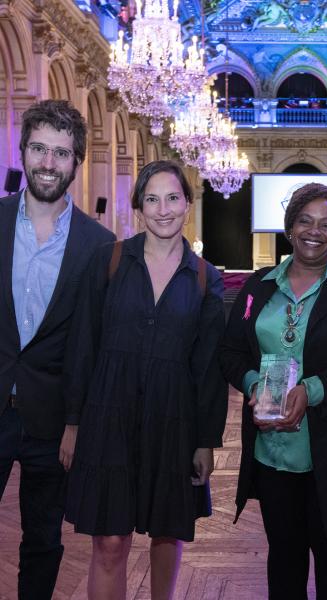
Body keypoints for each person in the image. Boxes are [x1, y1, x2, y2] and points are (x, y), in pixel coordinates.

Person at [63, 160, 228, 600]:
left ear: (188, 206)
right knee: (109, 541)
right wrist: (73, 423)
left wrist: (205, 441)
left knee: (166, 534)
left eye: (173, 198)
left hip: (174, 421)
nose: (163, 209)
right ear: (138, 209)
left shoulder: (205, 278)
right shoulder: (110, 260)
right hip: (106, 417)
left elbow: (208, 369)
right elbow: (84, 346)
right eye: (151, 199)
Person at [220, 182, 327, 599]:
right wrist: (253, 384)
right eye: (305, 220)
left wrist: (312, 389)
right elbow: (228, 352)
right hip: (272, 449)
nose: (314, 231)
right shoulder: (259, 286)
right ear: (290, 226)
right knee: (284, 560)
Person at [0, 99, 115, 600]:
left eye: (62, 153)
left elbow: (92, 345)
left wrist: (76, 422)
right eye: (40, 149)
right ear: (23, 151)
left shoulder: (99, 245)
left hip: (53, 423)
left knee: (43, 540)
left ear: (76, 162)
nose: (49, 162)